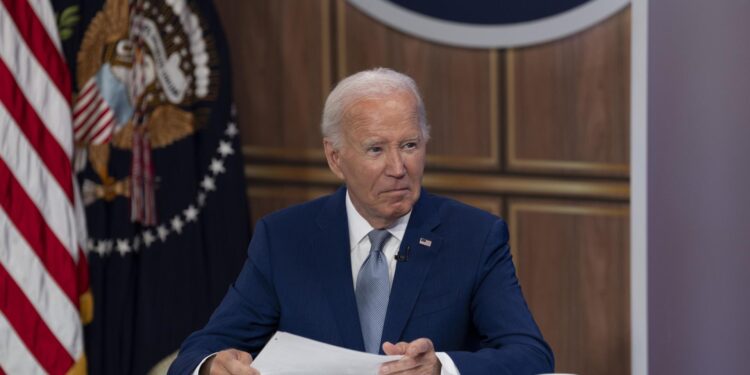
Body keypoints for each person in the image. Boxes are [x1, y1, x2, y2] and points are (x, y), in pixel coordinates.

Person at [168, 68, 554, 375]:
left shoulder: (474, 237)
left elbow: (531, 354)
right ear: (335, 158)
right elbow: (197, 353)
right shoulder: (284, 238)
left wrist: (442, 368)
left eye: (409, 145)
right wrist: (212, 367)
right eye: (375, 149)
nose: (398, 168)